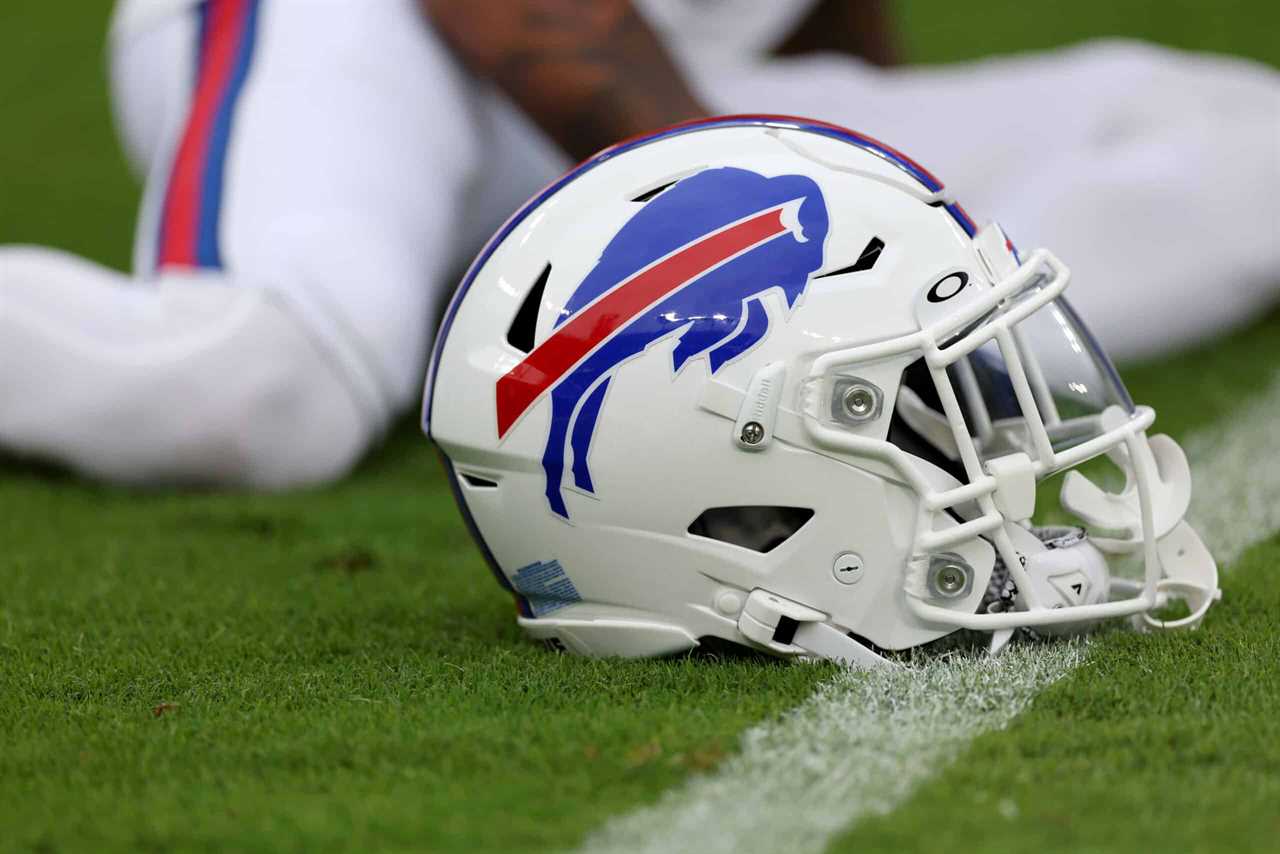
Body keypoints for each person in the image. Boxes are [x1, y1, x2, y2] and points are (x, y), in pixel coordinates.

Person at [1, 0, 1276, 489]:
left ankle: (494, 291)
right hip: (368, 33)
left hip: (669, 64)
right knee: (254, 389)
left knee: (1238, 140)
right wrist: (782, 284)